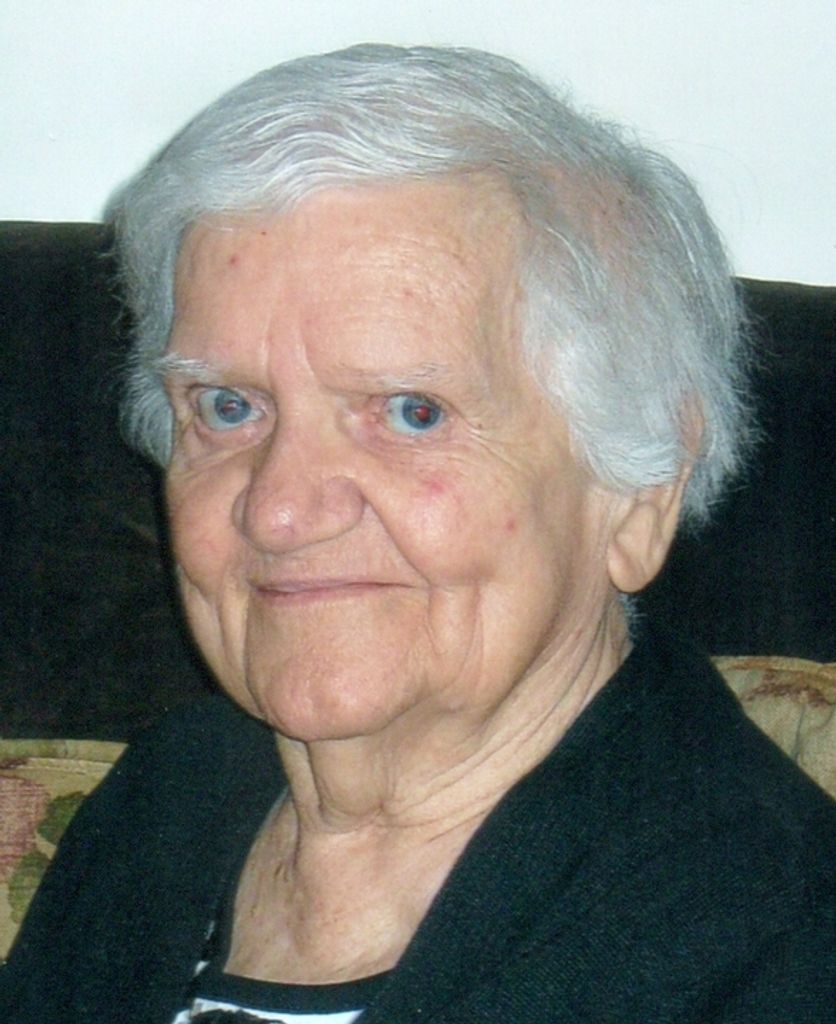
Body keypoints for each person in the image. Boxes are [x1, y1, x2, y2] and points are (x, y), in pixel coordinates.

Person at [2, 44, 833, 1024]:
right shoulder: (169, 803)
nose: (278, 510)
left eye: (409, 412)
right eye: (228, 407)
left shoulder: (773, 948)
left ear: (639, 486)